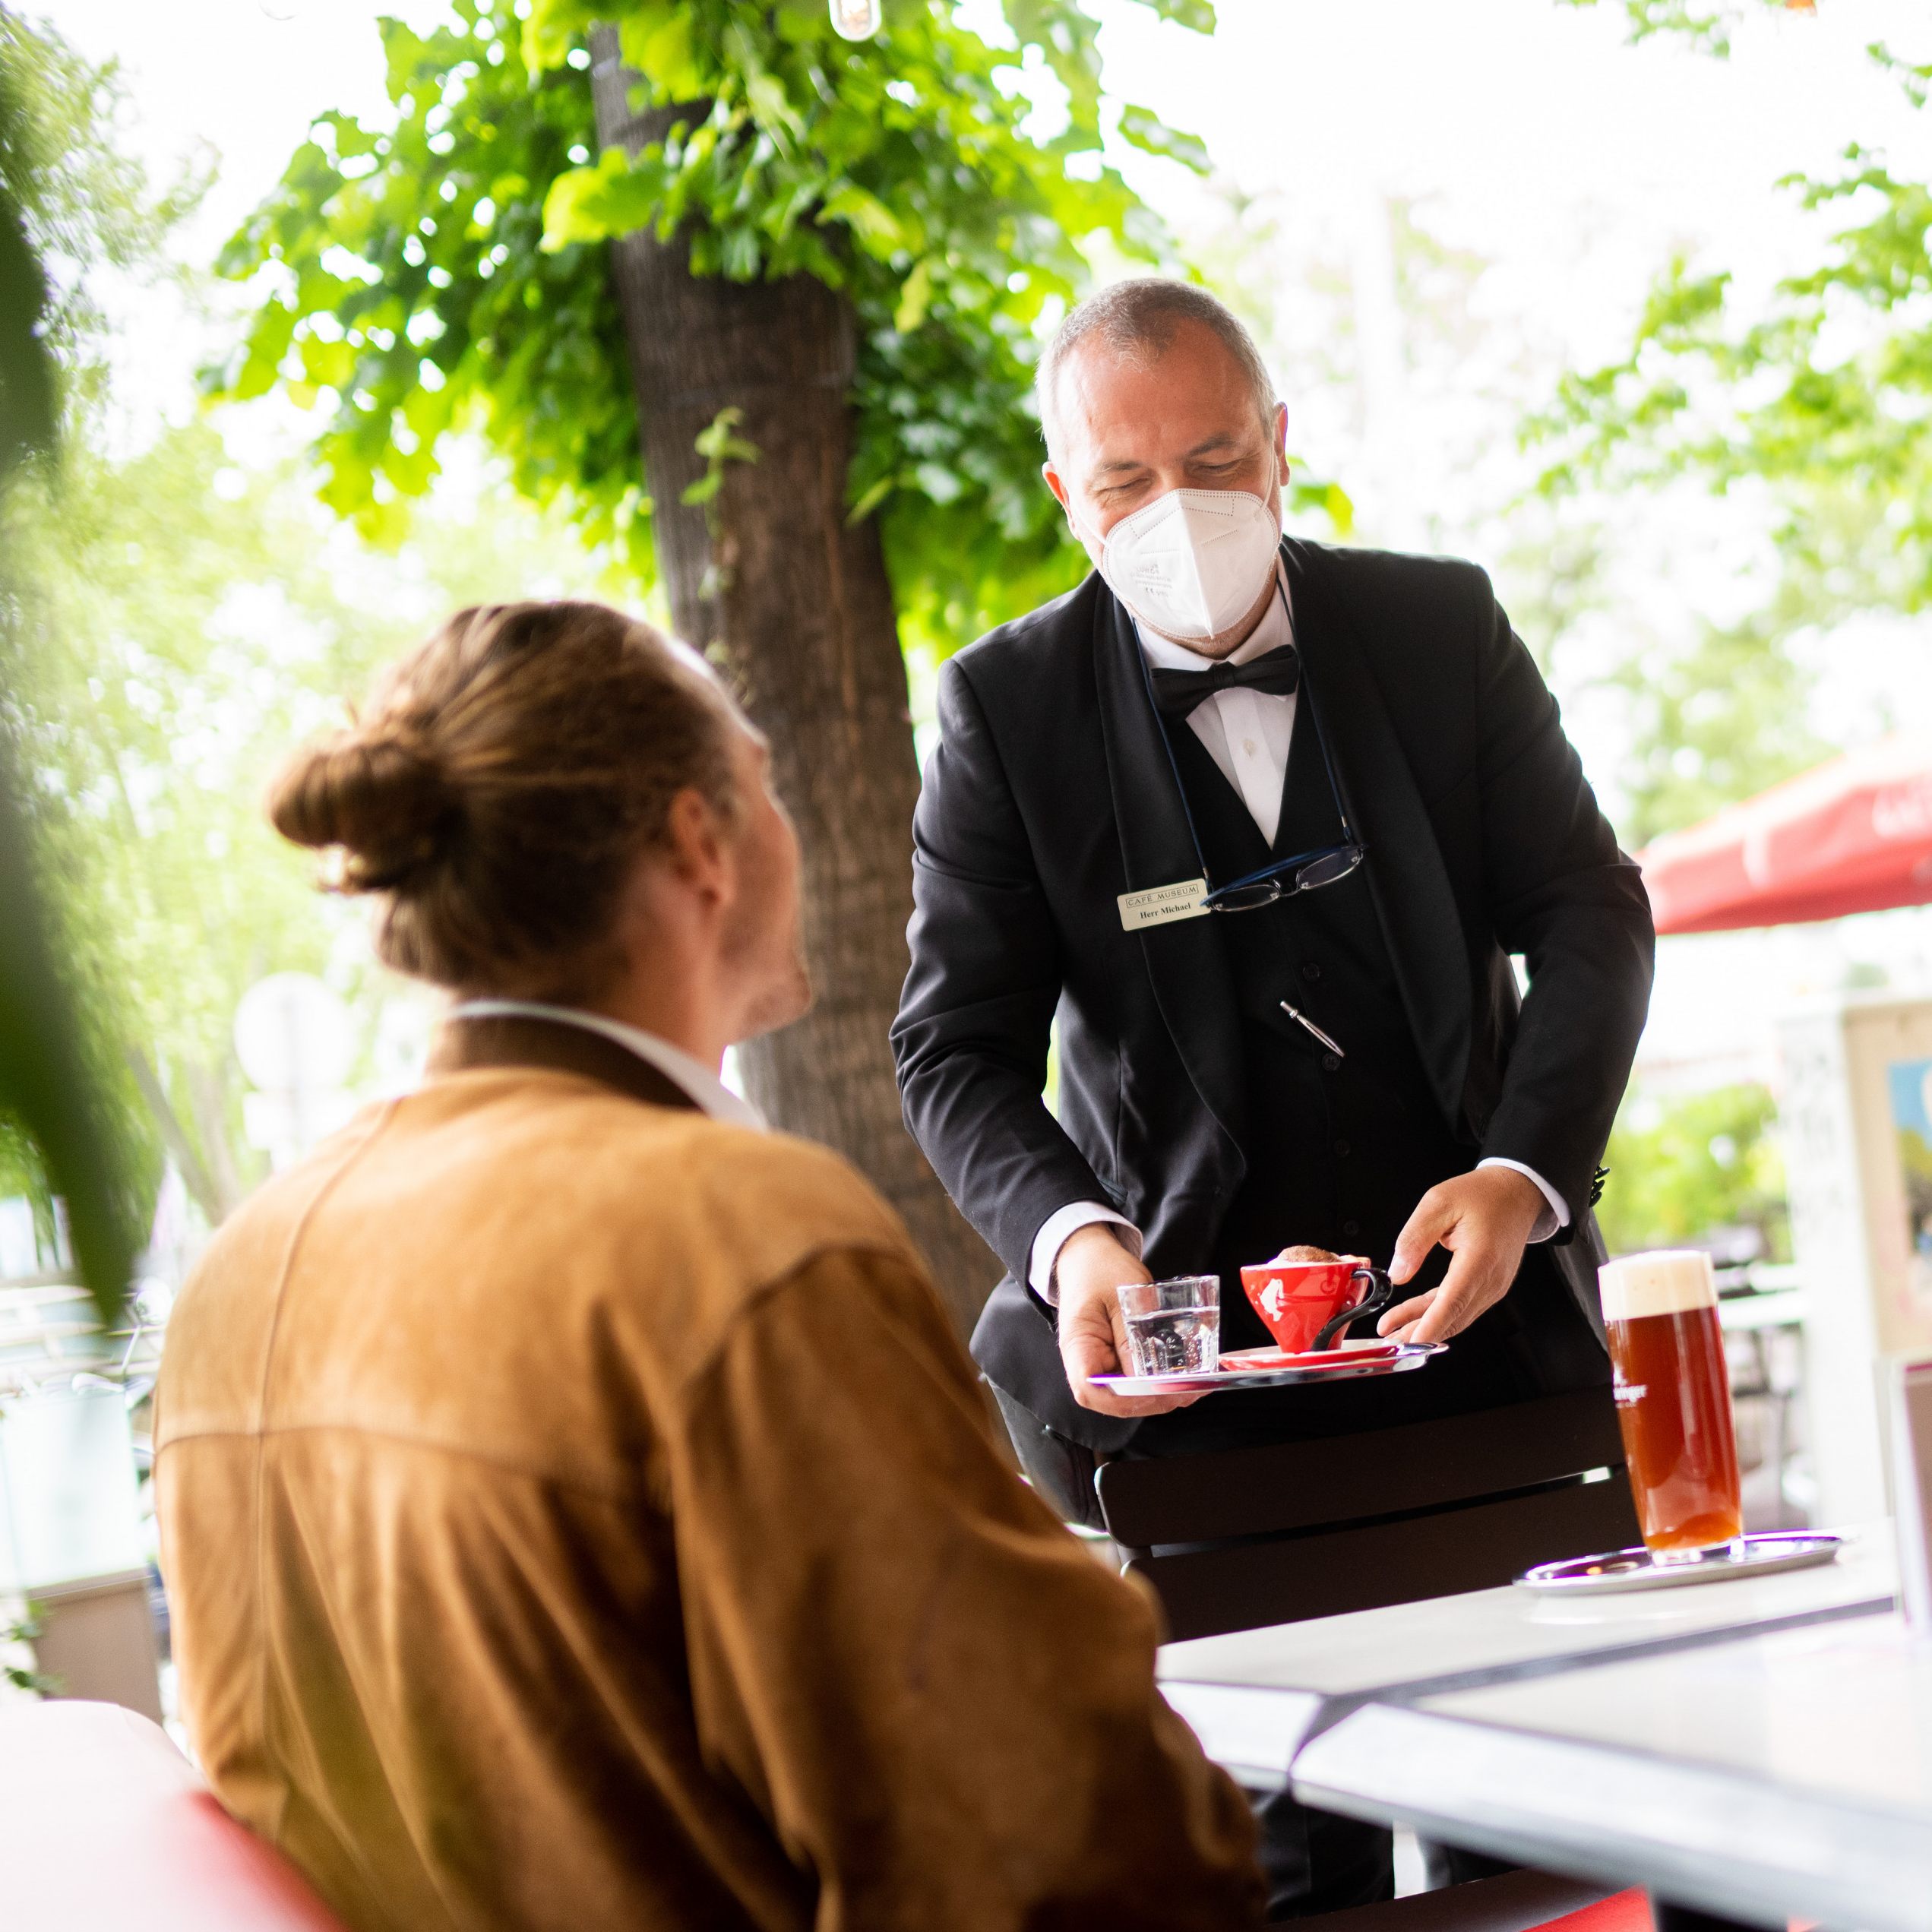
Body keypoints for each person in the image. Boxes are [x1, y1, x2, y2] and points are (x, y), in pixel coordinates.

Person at [153, 601, 1263, 1932]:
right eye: (764, 780)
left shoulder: (236, 1278)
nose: (789, 825)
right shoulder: (740, 1239)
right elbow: (1071, 1848)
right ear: (699, 843)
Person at [890, 281, 1654, 1915]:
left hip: (1483, 1360)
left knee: (1555, 1838)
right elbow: (950, 1047)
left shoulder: (1440, 629)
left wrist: (1524, 1173)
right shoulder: (1005, 711)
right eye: (1125, 481)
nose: (1177, 508)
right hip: (1196, 1407)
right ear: (1069, 497)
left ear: (1282, 446)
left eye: (1216, 460)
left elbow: (1592, 912)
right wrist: (1074, 1242)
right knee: (1281, 1875)